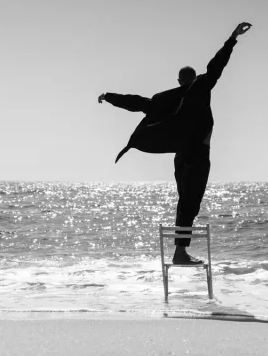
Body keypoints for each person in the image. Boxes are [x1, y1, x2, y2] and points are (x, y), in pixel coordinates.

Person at [98, 22, 252, 264]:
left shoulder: (168, 99)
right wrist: (232, 38)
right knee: (190, 204)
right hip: (197, 154)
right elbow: (216, 66)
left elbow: (138, 103)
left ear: (178, 80)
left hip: (181, 157)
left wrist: (109, 97)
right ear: (194, 78)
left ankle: (180, 251)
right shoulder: (202, 87)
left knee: (185, 204)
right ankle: (180, 253)